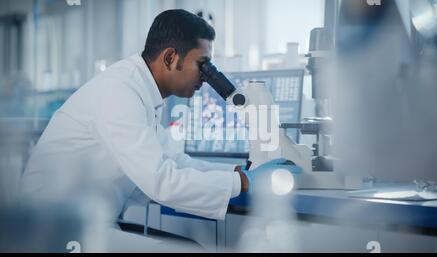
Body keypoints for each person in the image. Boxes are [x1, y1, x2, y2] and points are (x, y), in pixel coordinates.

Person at [20, 9, 296, 224]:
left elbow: (172, 160)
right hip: (51, 230)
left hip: (85, 221)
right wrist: (245, 183)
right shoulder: (119, 92)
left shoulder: (143, 91)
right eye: (202, 64)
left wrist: (235, 173)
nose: (205, 75)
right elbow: (162, 181)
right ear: (169, 58)